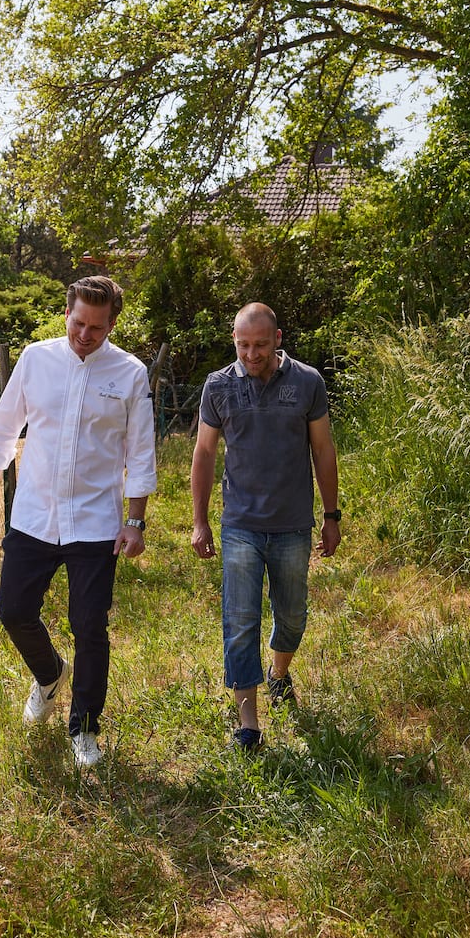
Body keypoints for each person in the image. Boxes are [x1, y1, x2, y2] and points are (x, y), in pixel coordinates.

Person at [0, 275, 157, 768]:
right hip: (34, 515)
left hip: (95, 523)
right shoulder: (36, 359)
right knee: (14, 611)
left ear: (111, 325)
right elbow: (4, 428)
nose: (85, 335)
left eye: (97, 327)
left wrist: (135, 522)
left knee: (89, 625)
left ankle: (85, 729)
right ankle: (50, 673)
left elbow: (141, 452)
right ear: (67, 313)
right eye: (78, 323)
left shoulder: (130, 374)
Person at [190, 302, 341, 750]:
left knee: (292, 616)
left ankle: (278, 672)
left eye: (259, 345)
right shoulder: (218, 386)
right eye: (243, 345)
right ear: (234, 341)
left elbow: (323, 450)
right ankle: (249, 724)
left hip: (293, 524)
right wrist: (199, 521)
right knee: (240, 622)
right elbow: (204, 452)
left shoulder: (307, 382)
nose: (251, 354)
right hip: (240, 524)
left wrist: (331, 516)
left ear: (277, 339)